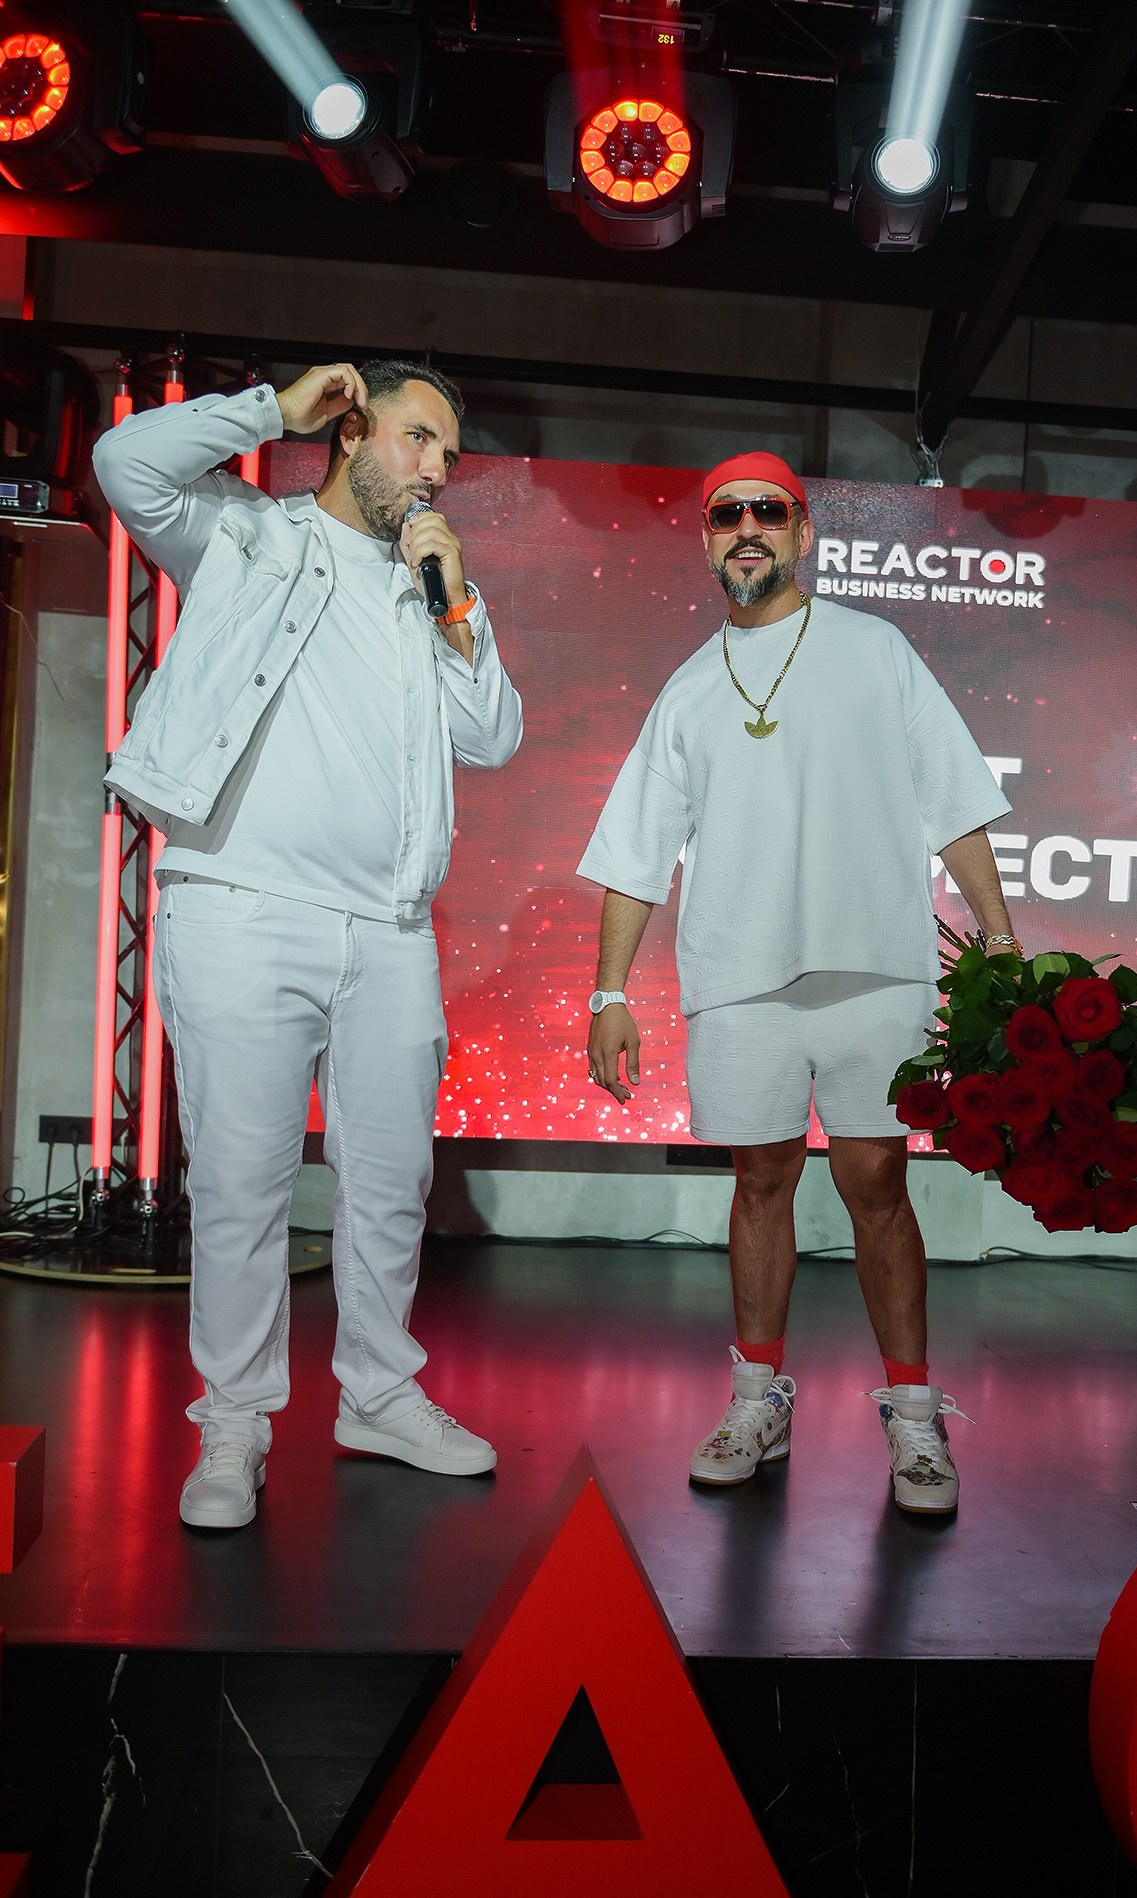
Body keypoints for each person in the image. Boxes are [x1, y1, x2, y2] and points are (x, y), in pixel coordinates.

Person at [94, 358, 522, 1529]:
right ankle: (233, 1424)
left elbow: (493, 735)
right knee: (242, 1185)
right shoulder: (246, 535)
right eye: (418, 437)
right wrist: (267, 412)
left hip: (389, 929)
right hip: (243, 905)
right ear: (349, 428)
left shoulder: (430, 591)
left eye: (449, 452)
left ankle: (378, 1394)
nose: (437, 469)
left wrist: (456, 601)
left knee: (390, 1185)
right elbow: (122, 462)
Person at [579, 451, 1017, 1514]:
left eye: (768, 512)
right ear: (706, 538)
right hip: (740, 980)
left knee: (876, 1184)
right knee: (760, 1181)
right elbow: (637, 851)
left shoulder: (874, 649)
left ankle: (912, 1415)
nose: (747, 528)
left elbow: (954, 798)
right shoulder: (689, 688)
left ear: (802, 532)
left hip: (875, 969)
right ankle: (757, 1400)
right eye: (726, 513)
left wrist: (1001, 939)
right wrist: (608, 993)